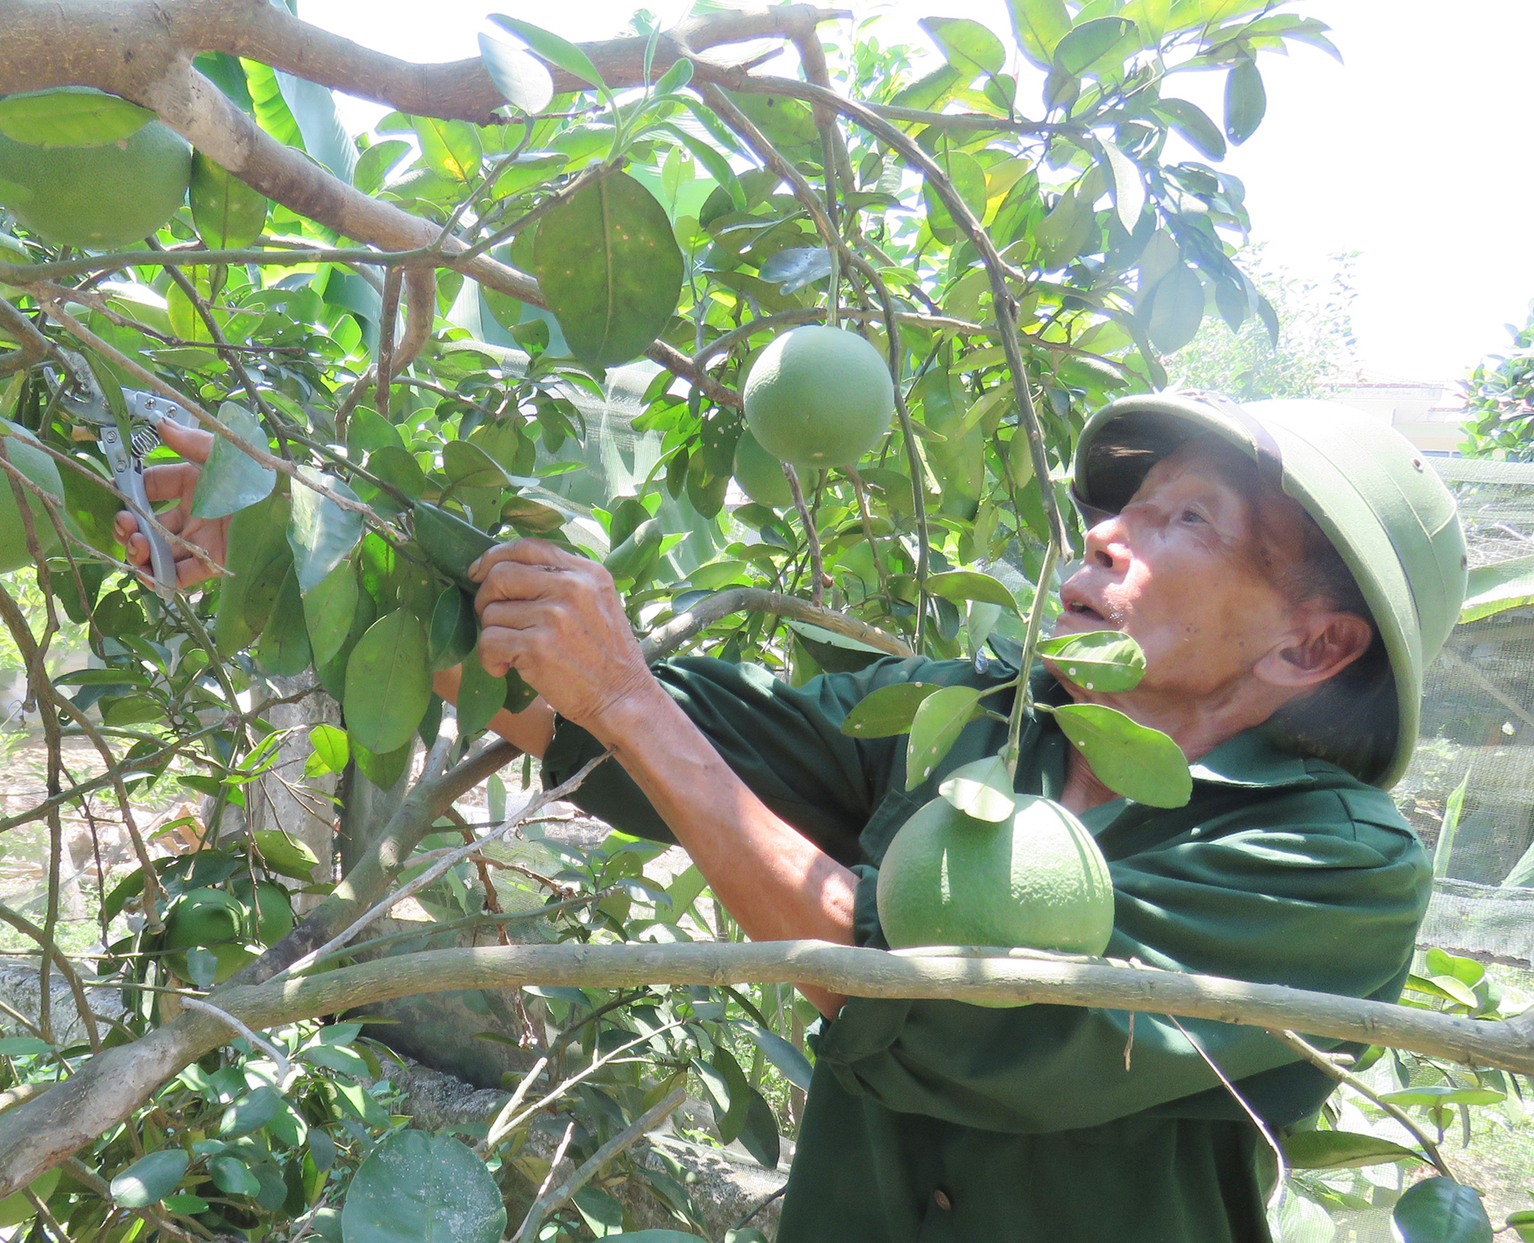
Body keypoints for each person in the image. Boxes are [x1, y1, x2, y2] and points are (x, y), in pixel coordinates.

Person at [121, 393, 1468, 1242]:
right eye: (1122, 501)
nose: (1110, 531)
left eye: (1184, 518)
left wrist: (634, 708)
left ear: (1310, 646)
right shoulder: (964, 718)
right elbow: (603, 722)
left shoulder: (1327, 867)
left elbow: (944, 1016)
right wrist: (307, 542)